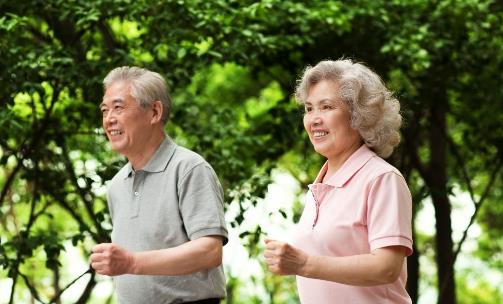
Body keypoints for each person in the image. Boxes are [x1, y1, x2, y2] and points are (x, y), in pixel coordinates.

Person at [263, 59, 413, 303]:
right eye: (309, 108)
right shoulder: (319, 186)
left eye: (327, 107)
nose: (314, 119)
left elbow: (387, 267)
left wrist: (304, 263)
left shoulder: (382, 178)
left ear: (358, 115)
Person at [90, 66, 227, 304]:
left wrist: (131, 262)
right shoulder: (115, 186)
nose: (109, 119)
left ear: (154, 112)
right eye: (105, 110)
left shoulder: (189, 168)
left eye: (118, 107)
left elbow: (209, 251)